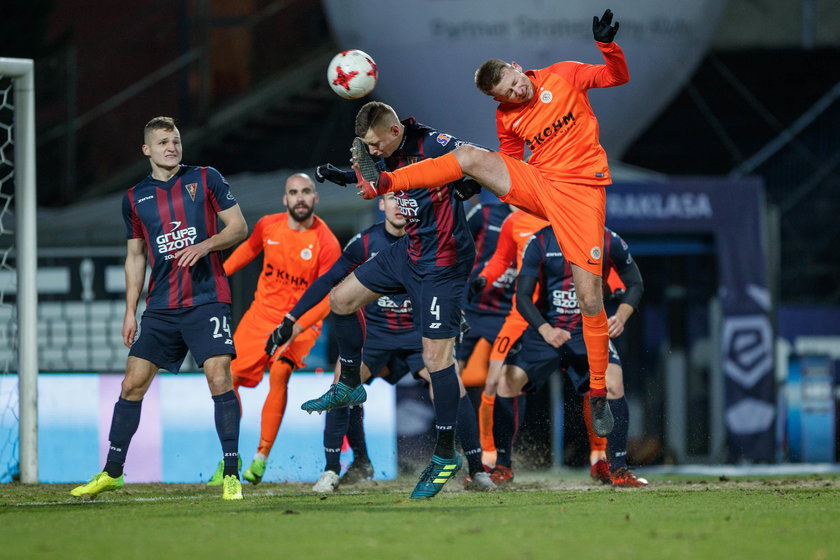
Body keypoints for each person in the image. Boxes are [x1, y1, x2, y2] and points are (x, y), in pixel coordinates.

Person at [348, 9, 629, 437]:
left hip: (582, 194)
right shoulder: (507, 116)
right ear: (499, 100)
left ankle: (594, 392)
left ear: (518, 68)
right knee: (470, 158)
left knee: (590, 300)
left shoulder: (564, 75)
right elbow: (511, 165)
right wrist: (476, 182)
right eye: (509, 95)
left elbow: (616, 78)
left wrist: (607, 47)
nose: (518, 93)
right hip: (541, 184)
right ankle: (383, 179)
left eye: (516, 84)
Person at [284, 101, 478, 499]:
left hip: (443, 261)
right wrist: (343, 175)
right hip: (408, 251)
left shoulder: (435, 143)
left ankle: (445, 456)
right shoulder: (388, 154)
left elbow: (478, 162)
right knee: (341, 300)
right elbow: (377, 179)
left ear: (392, 132)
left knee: (436, 360)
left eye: (375, 144)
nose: (372, 152)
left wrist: (468, 180)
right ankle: (351, 383)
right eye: (366, 146)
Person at [71, 116, 249, 500]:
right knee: (132, 384)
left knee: (219, 378)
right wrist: (129, 311)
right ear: (147, 150)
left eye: (176, 140)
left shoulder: (205, 178)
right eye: (163, 141)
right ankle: (113, 472)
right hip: (162, 306)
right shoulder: (134, 198)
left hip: (207, 298)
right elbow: (135, 257)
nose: (172, 146)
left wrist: (206, 245)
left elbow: (238, 227)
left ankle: (232, 473)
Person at [269, 191, 493, 492]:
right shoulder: (365, 242)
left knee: (453, 382)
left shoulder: (429, 239)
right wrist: (291, 319)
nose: (399, 205)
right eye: (391, 198)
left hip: (418, 336)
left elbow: (449, 275)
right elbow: (329, 279)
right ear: (381, 204)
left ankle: (477, 470)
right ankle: (338, 468)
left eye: (405, 199)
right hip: (375, 338)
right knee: (341, 382)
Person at [208, 173, 341, 486]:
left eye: (306, 192)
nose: (300, 198)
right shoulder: (268, 225)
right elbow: (247, 251)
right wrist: (219, 277)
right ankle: (231, 457)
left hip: (301, 321)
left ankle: (261, 456)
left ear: (315, 198)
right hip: (261, 316)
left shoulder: (326, 242)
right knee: (226, 382)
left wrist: (297, 326)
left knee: (280, 370)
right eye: (293, 192)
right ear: (285, 199)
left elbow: (329, 299)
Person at [491, 226, 647, 487]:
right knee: (506, 382)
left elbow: (635, 283)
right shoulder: (540, 240)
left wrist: (621, 316)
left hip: (589, 330)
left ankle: (618, 469)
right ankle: (502, 466)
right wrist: (545, 329)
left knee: (614, 383)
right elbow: (523, 297)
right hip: (548, 331)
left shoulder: (609, 239)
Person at [457, 201, 513, 467]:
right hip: (470, 306)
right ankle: (453, 449)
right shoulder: (486, 212)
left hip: (508, 314)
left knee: (506, 383)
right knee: (447, 375)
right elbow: (457, 243)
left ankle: (502, 457)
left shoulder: (541, 217)